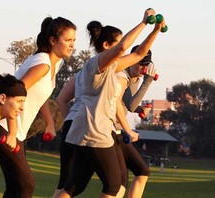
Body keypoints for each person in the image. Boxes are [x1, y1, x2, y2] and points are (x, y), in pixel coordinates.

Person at [53, 8, 166, 198]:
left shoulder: (113, 66)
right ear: (106, 46)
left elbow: (138, 54)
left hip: (88, 131)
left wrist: (155, 31)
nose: (120, 48)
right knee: (114, 186)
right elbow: (123, 48)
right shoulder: (95, 65)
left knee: (73, 187)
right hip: (95, 131)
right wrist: (144, 23)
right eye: (116, 43)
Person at [0, 16, 76, 198]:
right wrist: (11, 132)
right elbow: (13, 96)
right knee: (26, 186)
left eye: (74, 40)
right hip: (3, 128)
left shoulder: (54, 64)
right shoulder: (42, 65)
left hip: (14, 131)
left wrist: (49, 123)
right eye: (68, 40)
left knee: (16, 188)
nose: (72, 45)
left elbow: (38, 96)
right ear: (53, 40)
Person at [115, 45, 157, 198]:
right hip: (110, 132)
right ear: (131, 59)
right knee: (119, 182)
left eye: (146, 65)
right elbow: (130, 104)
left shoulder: (135, 78)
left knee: (142, 171)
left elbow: (129, 104)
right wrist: (147, 82)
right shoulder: (122, 76)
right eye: (140, 63)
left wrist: (139, 109)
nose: (143, 68)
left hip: (119, 131)